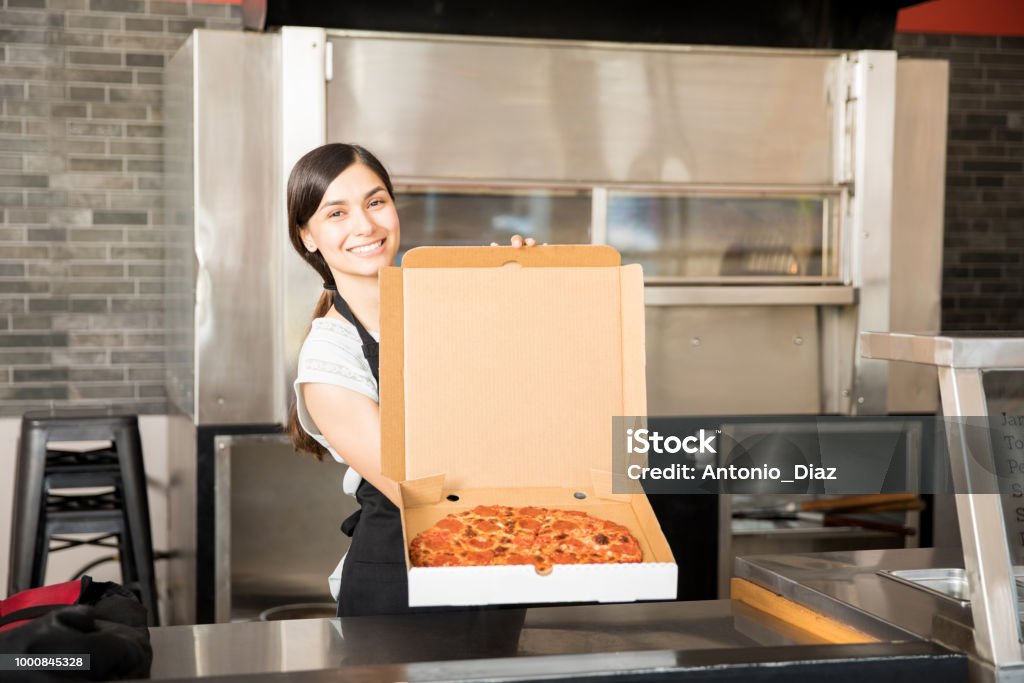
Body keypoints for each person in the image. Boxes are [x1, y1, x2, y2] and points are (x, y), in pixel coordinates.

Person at [285, 143, 535, 617]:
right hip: (401, 585)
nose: (366, 225)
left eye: (376, 202)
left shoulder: (450, 309)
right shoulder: (329, 354)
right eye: (337, 212)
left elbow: (533, 389)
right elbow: (417, 485)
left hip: (492, 564)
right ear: (308, 237)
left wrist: (523, 296)